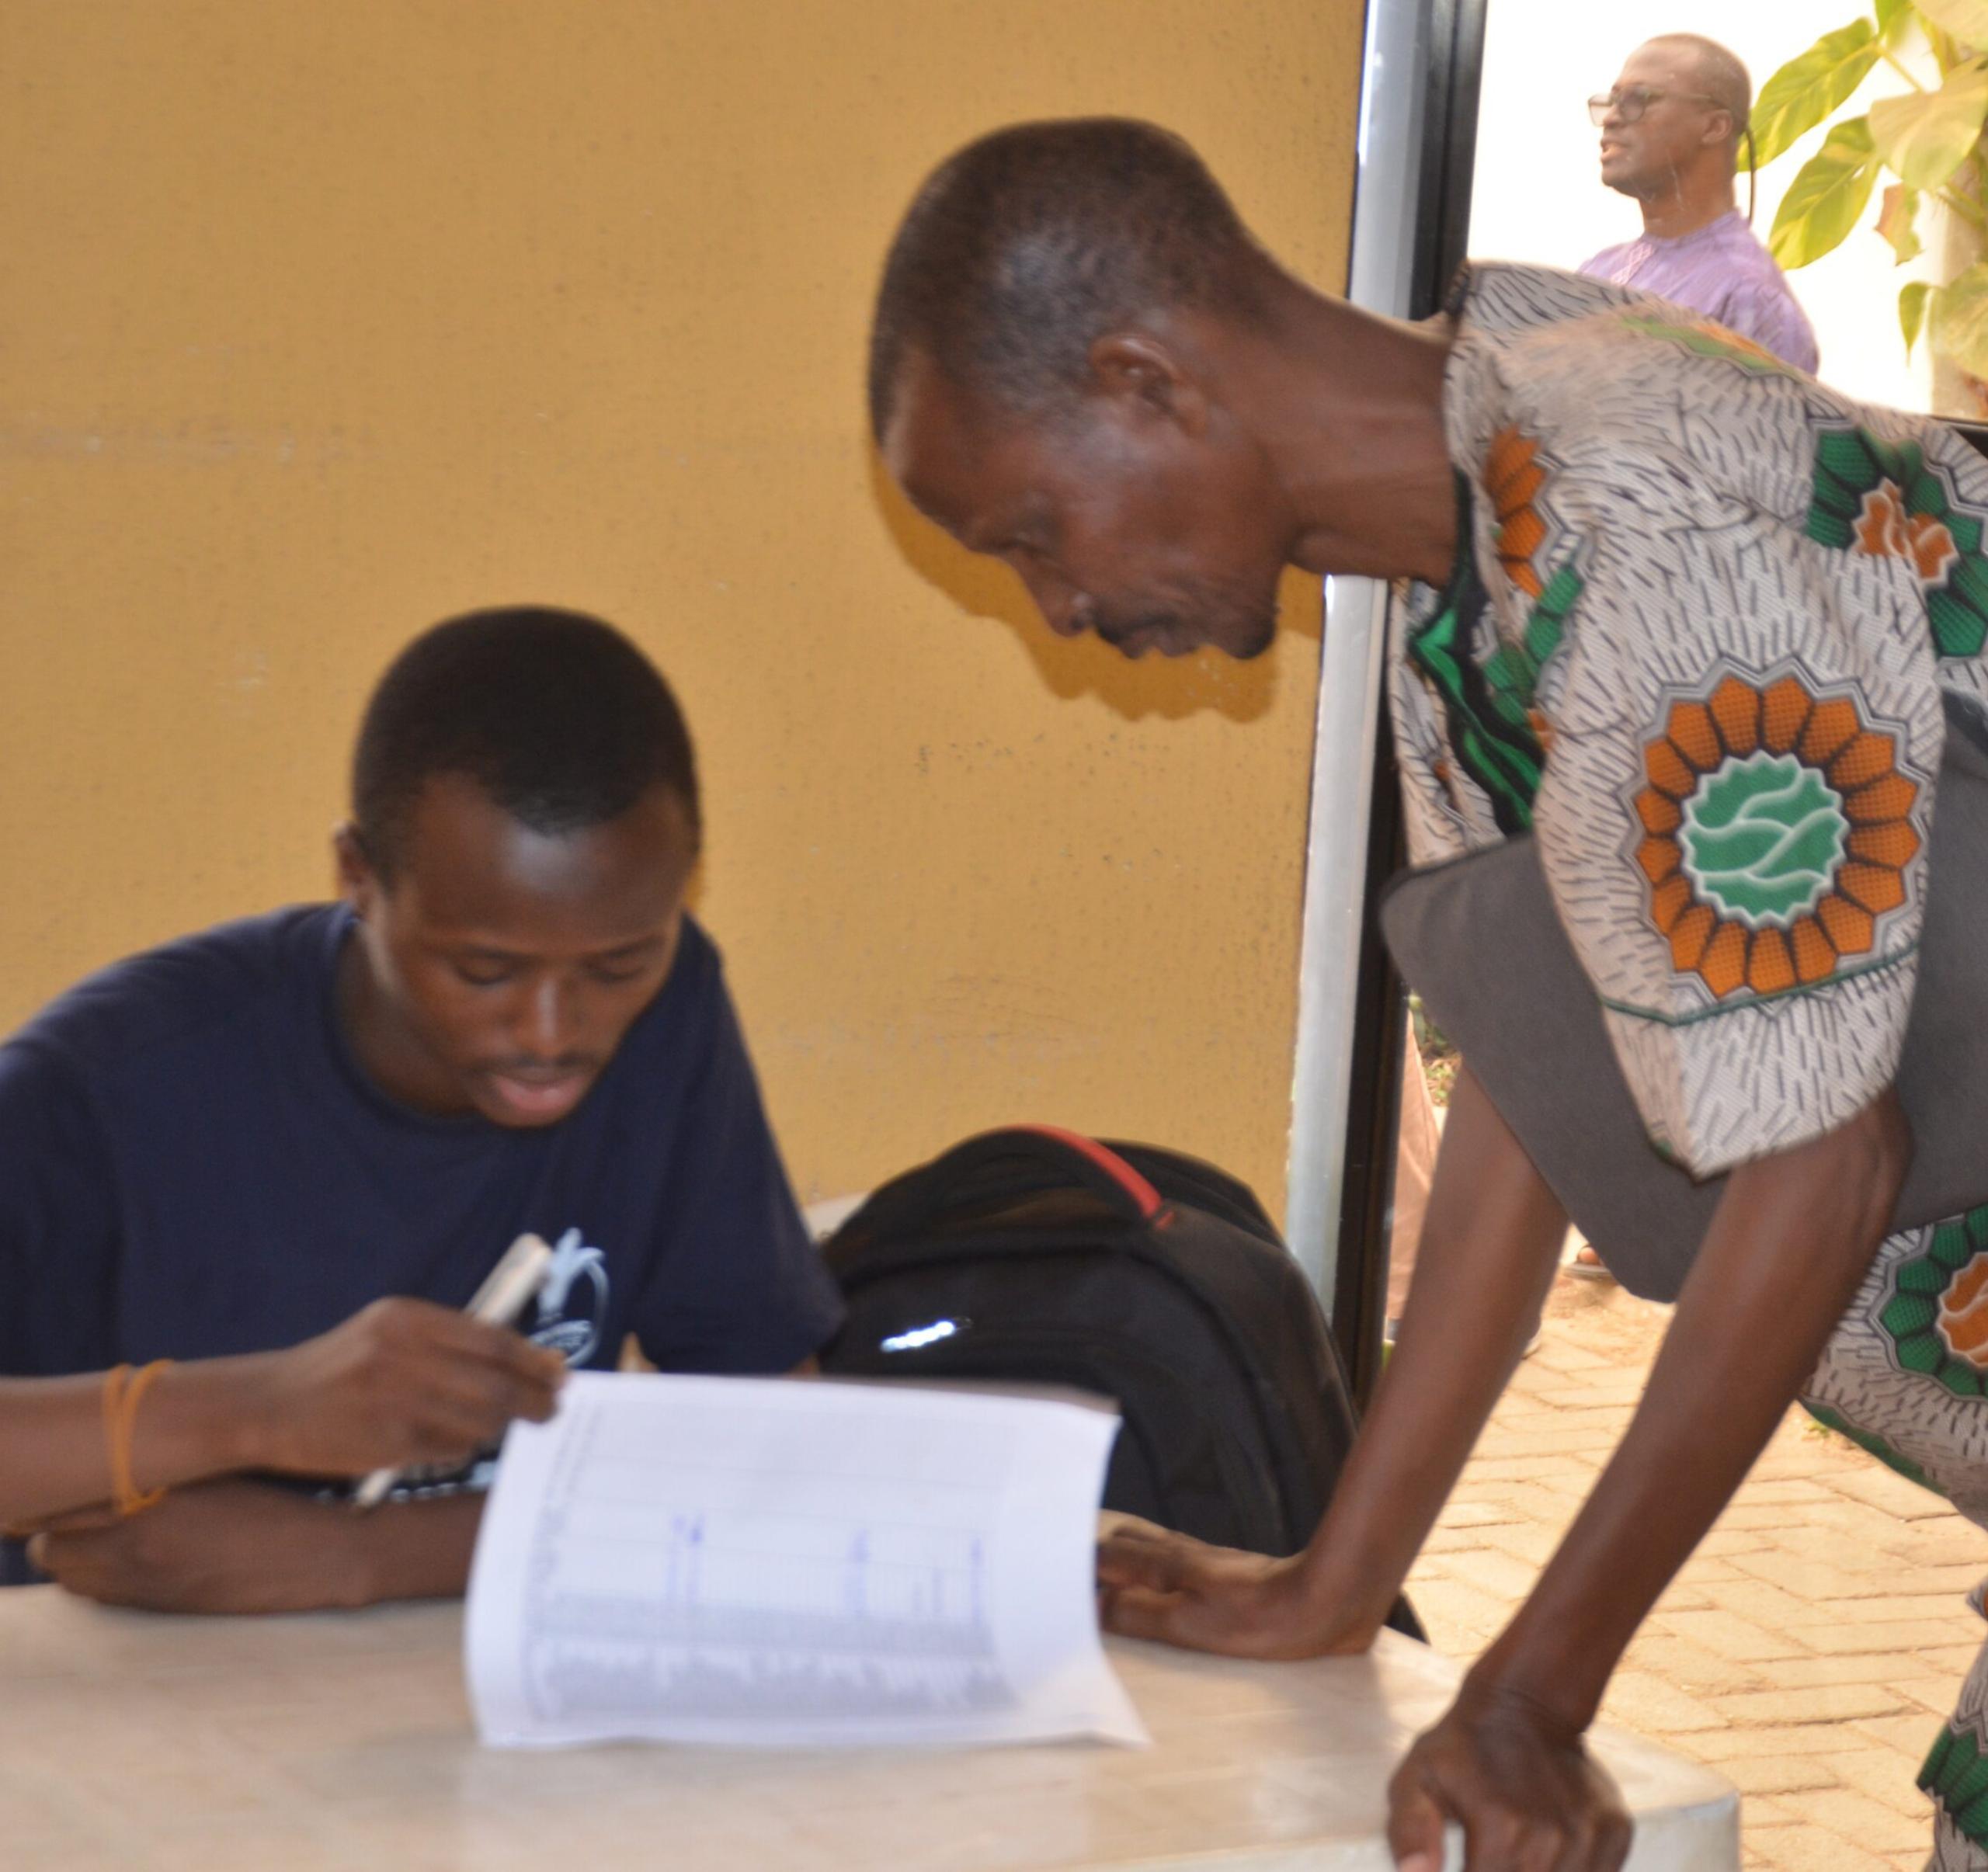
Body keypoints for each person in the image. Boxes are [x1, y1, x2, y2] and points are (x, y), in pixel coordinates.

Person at [868, 118, 1988, 1870]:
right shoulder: (1478, 537)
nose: (1058, 608)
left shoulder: (1629, 500)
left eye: (1031, 534)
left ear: (1143, 379)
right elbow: (1532, 1103)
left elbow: (1821, 1161)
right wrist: (1332, 1583)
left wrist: (1534, 1692)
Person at [0, 606, 843, 1613]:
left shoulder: (671, 1011)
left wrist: (357, 1556)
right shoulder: (105, 1086)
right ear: (357, 875)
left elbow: (770, 1443)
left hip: (450, 1667)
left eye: (620, 964)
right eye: (483, 969)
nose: (551, 1031)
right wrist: (258, 1409)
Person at [1580, 33, 1818, 373]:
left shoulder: (1748, 297)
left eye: (1638, 99)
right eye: (1613, 101)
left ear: (1714, 126)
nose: (1611, 118)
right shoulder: (1599, 268)